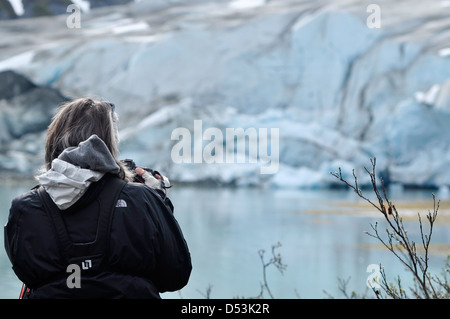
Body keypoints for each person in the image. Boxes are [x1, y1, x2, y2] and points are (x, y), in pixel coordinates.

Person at [3, 97, 192, 298]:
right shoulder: (142, 199)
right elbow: (175, 275)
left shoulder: (26, 208)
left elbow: (26, 273)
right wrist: (159, 201)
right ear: (109, 144)